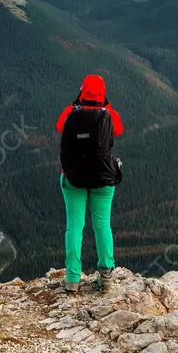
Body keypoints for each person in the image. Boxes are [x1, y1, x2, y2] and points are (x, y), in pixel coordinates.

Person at [55, 74, 124, 293]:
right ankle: (106, 275)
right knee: (102, 225)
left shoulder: (70, 114)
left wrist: (77, 105)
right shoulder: (108, 115)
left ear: (81, 91)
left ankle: (73, 278)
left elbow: (60, 127)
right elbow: (119, 129)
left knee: (74, 226)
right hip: (103, 179)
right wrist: (105, 104)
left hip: (74, 178)